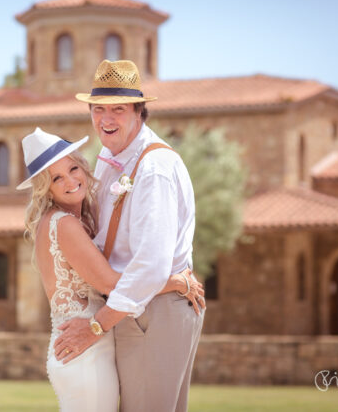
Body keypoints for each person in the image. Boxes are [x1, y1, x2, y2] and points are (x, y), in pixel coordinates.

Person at [54, 59, 205, 412]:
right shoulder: (109, 157)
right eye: (98, 109)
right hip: (130, 307)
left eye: (118, 109)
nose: (106, 119)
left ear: (139, 112)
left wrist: (94, 327)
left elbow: (151, 266)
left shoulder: (154, 169)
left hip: (153, 312)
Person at [18, 127, 204, 412]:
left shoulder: (72, 219)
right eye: (57, 178)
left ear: (83, 166)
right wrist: (177, 282)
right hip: (84, 354)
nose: (70, 180)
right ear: (46, 188)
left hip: (86, 348)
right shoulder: (64, 225)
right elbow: (110, 284)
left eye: (73, 168)